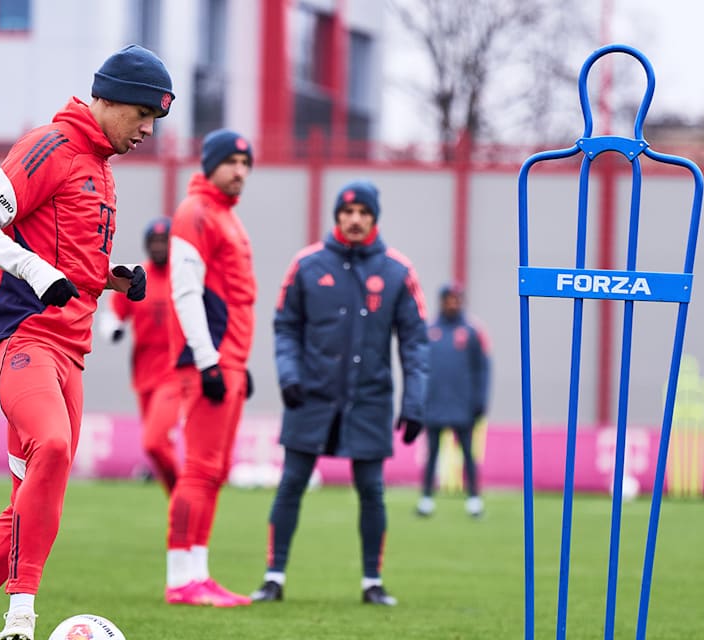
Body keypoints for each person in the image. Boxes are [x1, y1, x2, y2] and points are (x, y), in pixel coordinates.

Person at [0, 44, 174, 640]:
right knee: (50, 446)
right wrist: (37, 273)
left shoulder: (102, 168)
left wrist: (108, 277)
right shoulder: (48, 145)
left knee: (28, 505)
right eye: (143, 115)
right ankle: (20, 620)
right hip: (20, 335)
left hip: (71, 351)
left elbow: (66, 253)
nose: (149, 130)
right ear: (109, 99)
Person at [250, 179, 429, 607]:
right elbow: (285, 326)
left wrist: (415, 401)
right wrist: (288, 375)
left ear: (373, 219)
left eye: (363, 213)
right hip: (310, 395)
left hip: (369, 399)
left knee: (371, 489)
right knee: (291, 483)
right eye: (347, 212)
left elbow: (415, 343)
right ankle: (274, 577)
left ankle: (372, 582)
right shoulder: (307, 264)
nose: (354, 220)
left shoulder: (398, 271)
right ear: (336, 217)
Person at [162, 128, 258, 607]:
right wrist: (209, 360)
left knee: (215, 472)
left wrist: (238, 361)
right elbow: (185, 291)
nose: (240, 171)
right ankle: (181, 578)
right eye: (232, 162)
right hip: (209, 361)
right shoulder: (195, 212)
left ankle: (198, 572)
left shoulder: (226, 215)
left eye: (247, 163)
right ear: (210, 164)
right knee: (198, 471)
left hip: (229, 359)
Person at [99, 216, 187, 495]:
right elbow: (113, 313)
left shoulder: (185, 278)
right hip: (144, 377)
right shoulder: (138, 277)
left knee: (154, 442)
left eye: (164, 241)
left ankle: (185, 498)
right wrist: (113, 330)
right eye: (154, 241)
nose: (159, 246)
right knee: (159, 447)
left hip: (175, 375)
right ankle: (179, 503)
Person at [417, 282, 491, 518]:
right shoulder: (429, 330)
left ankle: (474, 500)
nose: (453, 303)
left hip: (463, 405)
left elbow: (483, 369)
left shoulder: (472, 331)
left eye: (457, 299)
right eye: (449, 299)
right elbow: (419, 367)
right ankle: (426, 499)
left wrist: (479, 401)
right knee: (433, 453)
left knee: (468, 454)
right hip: (435, 403)